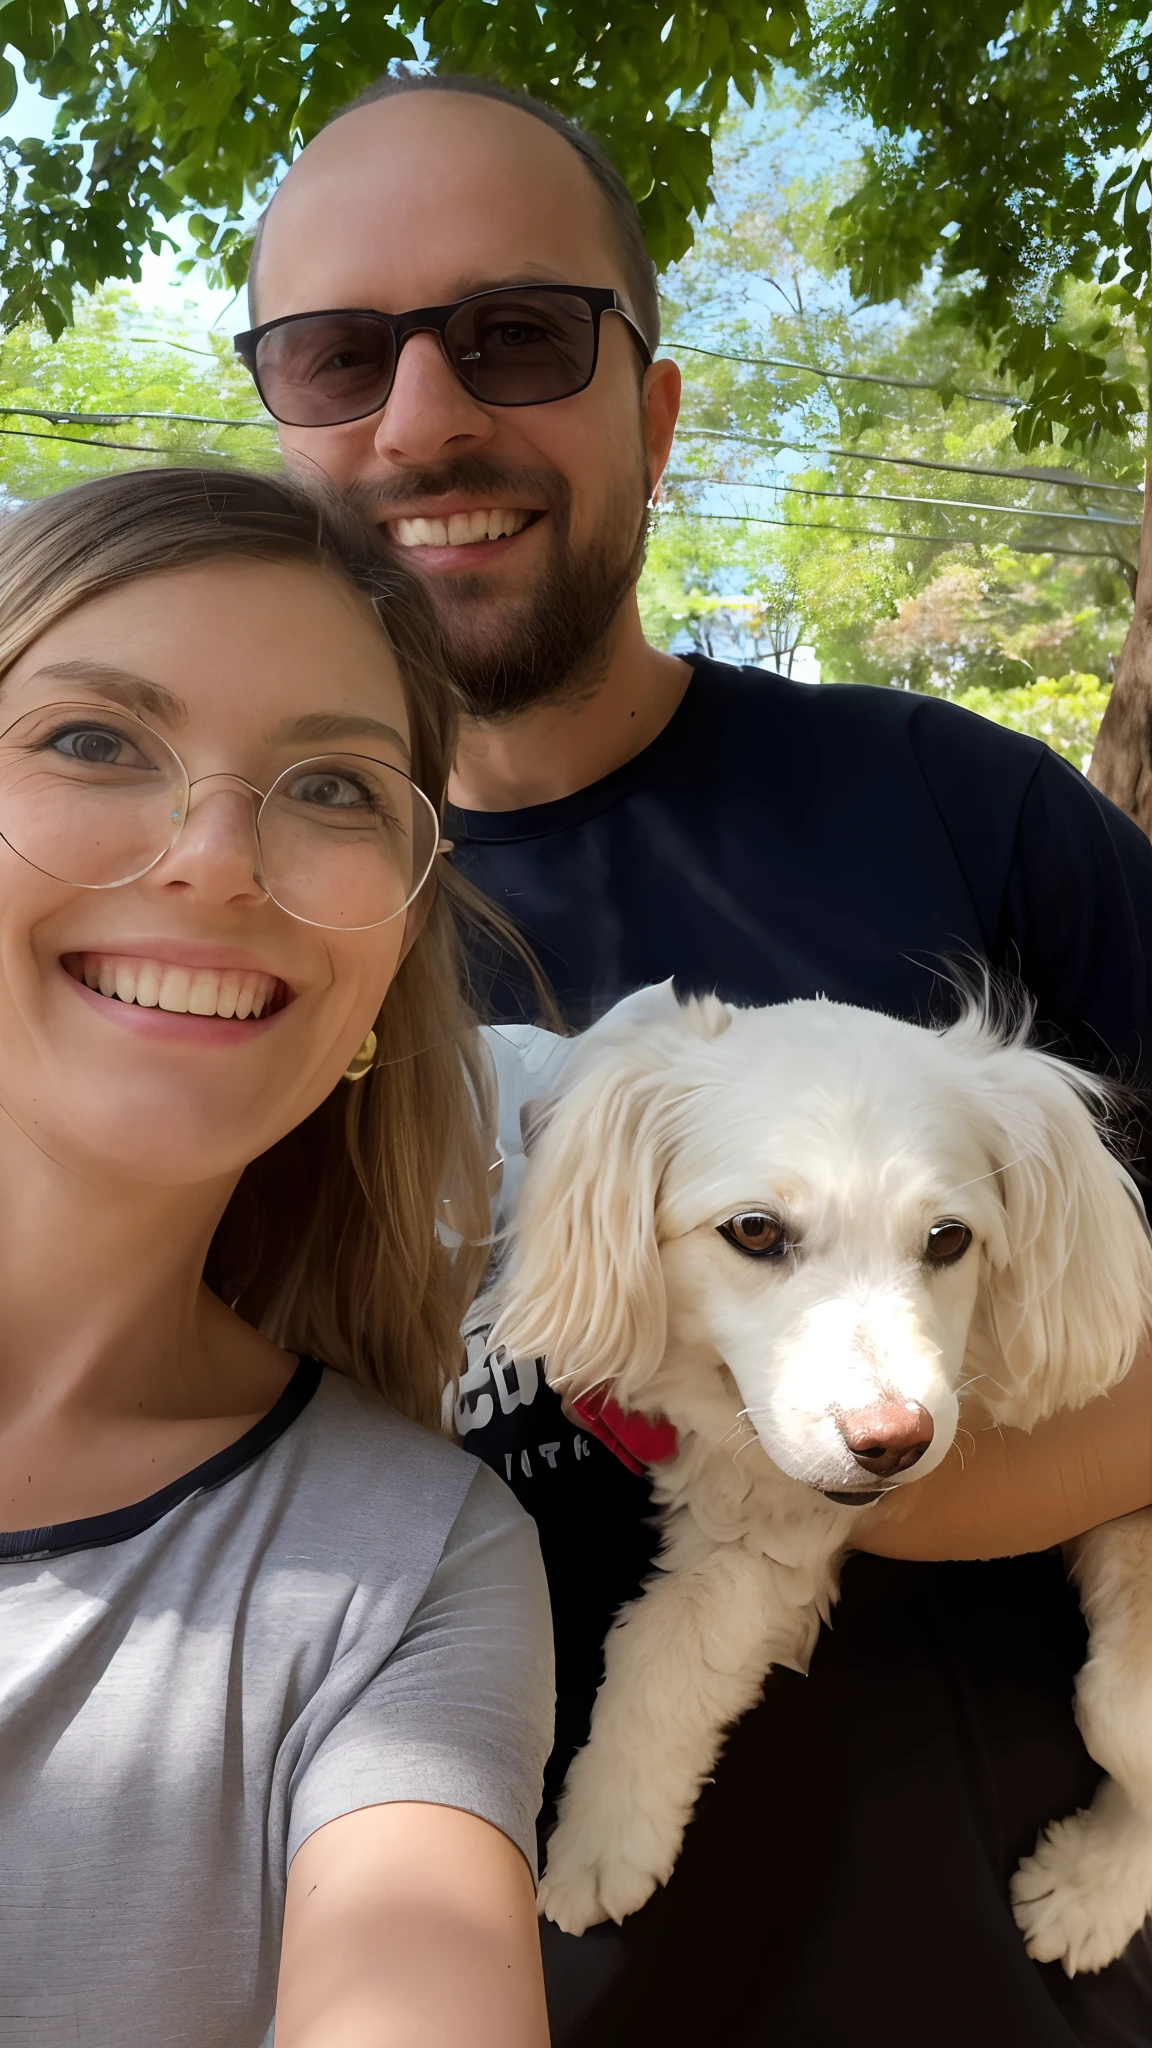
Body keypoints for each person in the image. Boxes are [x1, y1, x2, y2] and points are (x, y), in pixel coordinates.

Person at [238, 72, 1152, 2046]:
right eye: (335, 355)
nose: (421, 419)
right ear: (276, 419)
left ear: (652, 406)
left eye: (517, 334)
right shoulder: (202, 924)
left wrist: (830, 1466)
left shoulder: (966, 811)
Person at [0, 464, 554, 2048]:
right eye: (94, 740)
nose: (219, 858)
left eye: (334, 788)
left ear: (387, 961)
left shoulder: (409, 1570)